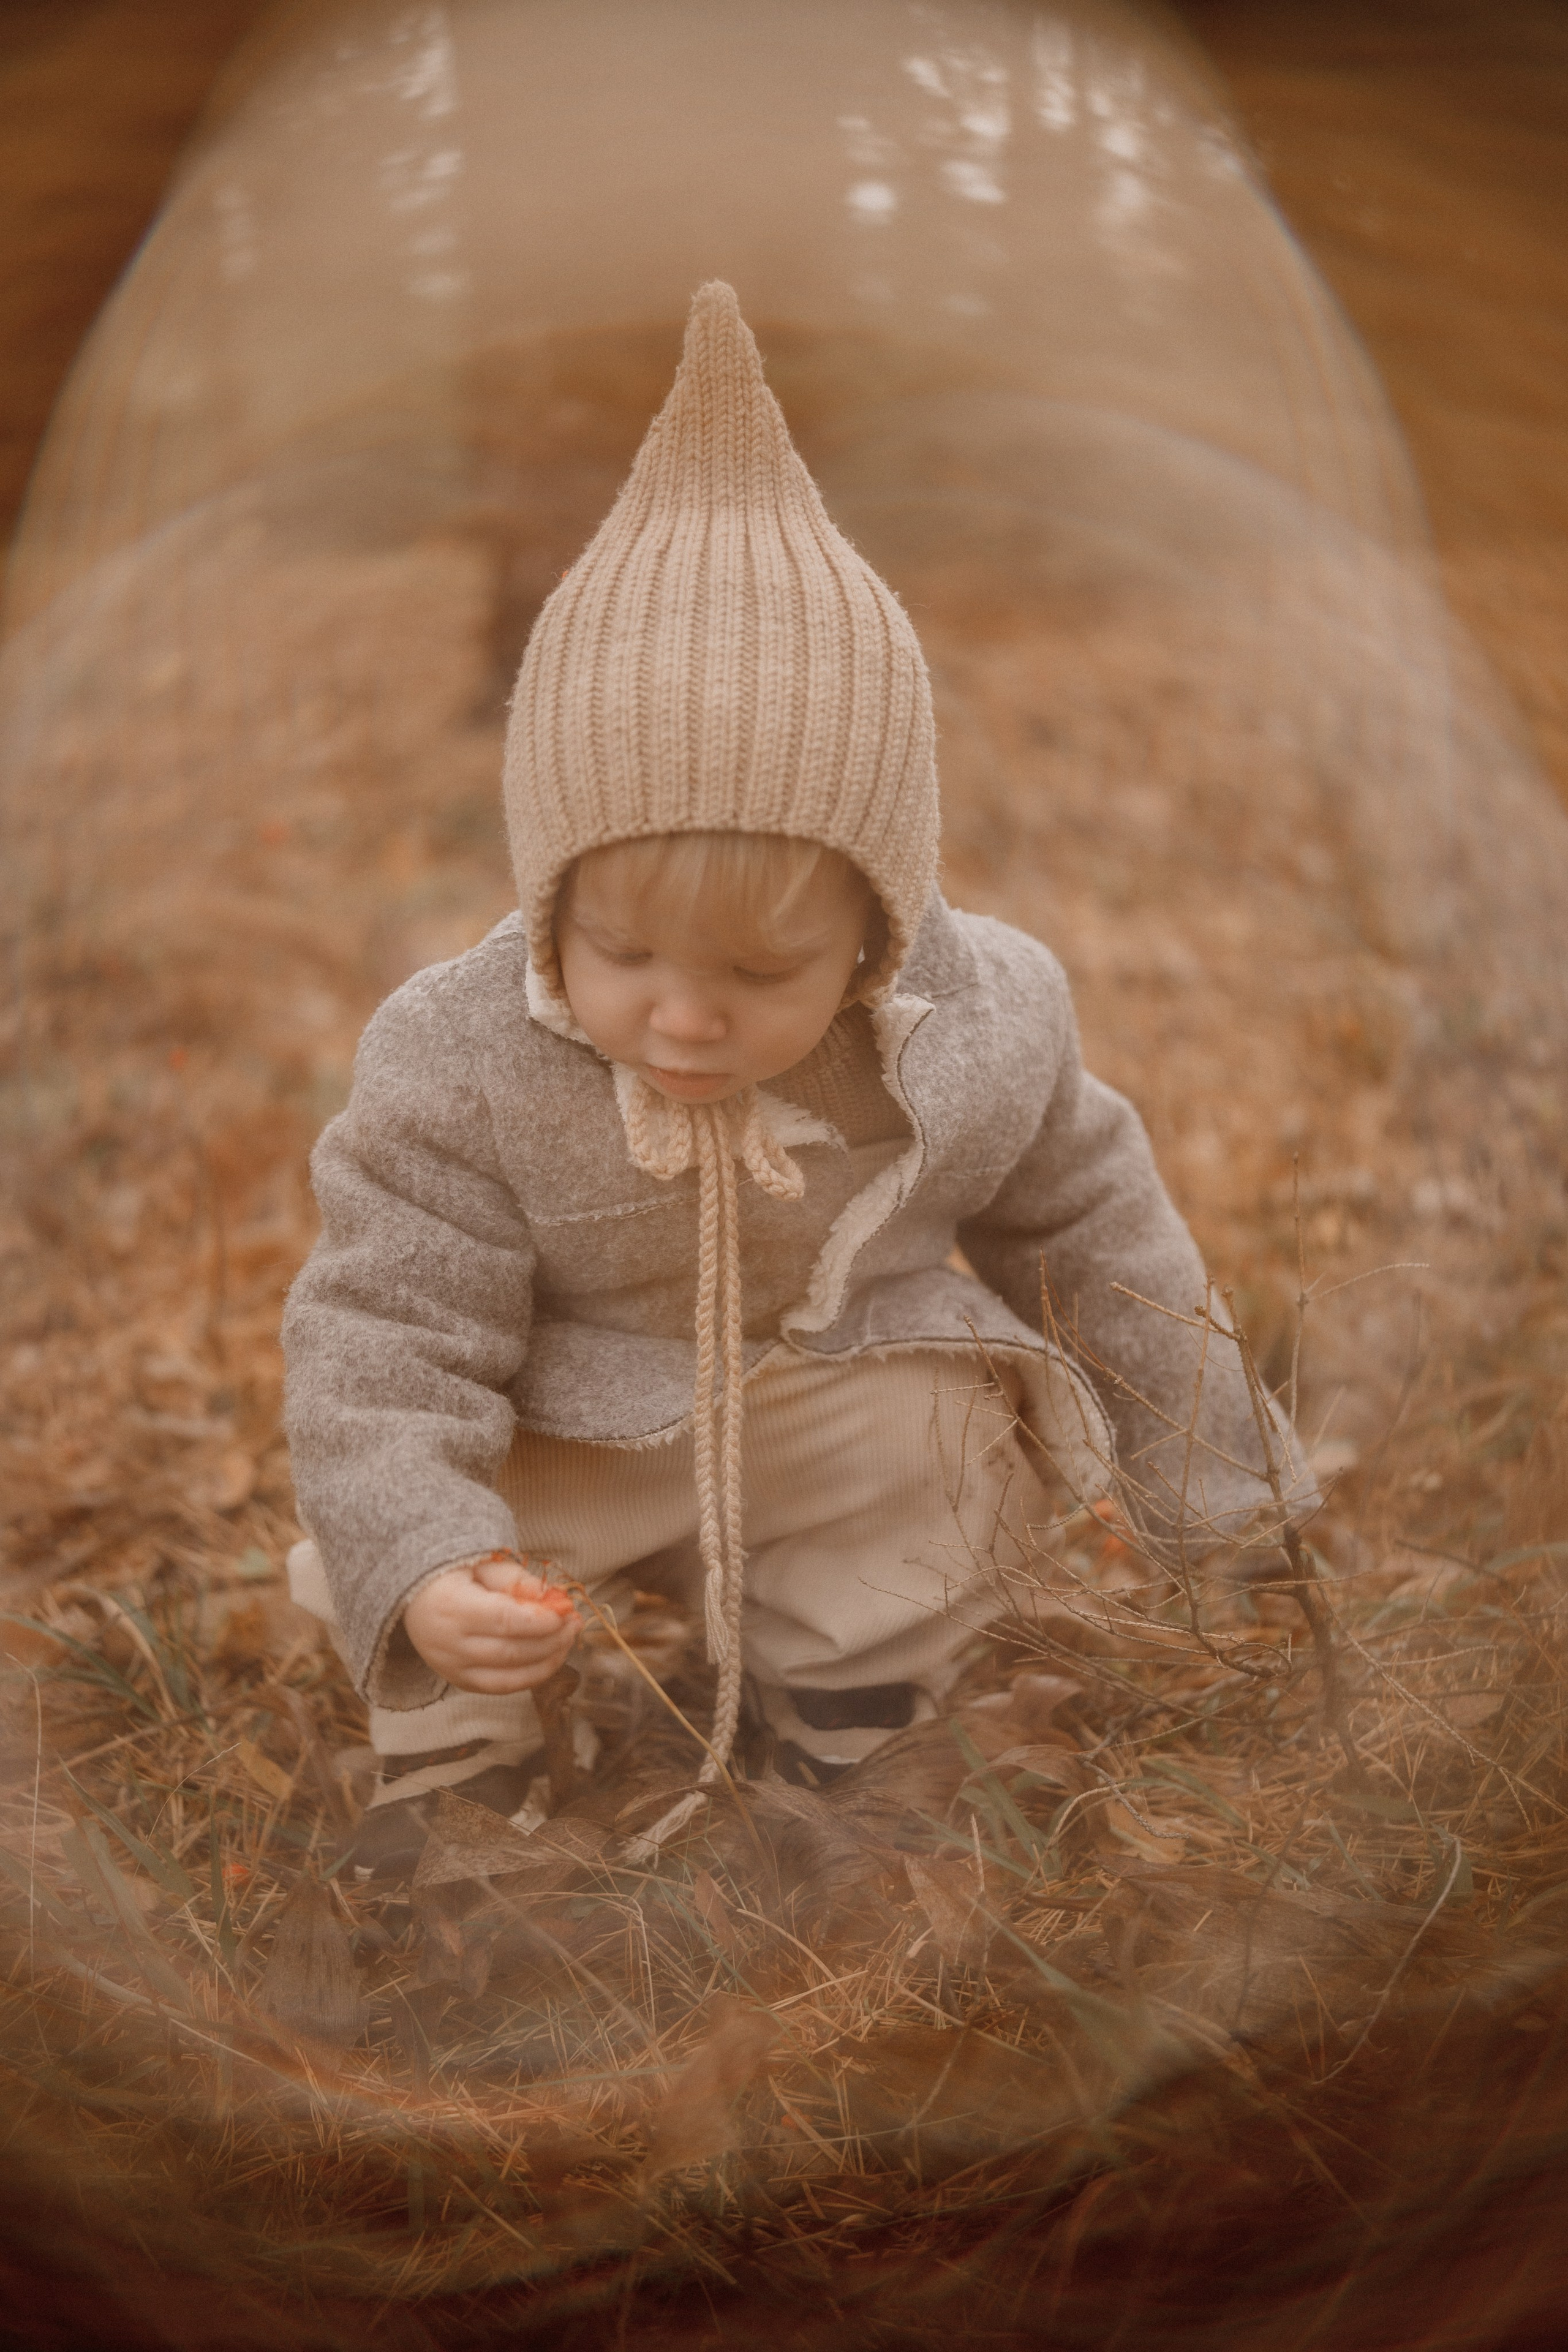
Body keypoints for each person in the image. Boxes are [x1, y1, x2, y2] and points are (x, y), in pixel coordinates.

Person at [282, 282, 1307, 1875]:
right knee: (435, 1557)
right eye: (623, 954)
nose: (685, 1019)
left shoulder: (979, 1021)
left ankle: (844, 1724)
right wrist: (424, 1557)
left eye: (762, 976)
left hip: (828, 1401)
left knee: (940, 1443)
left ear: (875, 928)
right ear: (550, 893)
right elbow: (385, 1338)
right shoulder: (460, 1055)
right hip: (575, 1429)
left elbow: (1109, 1252)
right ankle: (472, 1802)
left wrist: (1227, 1502)